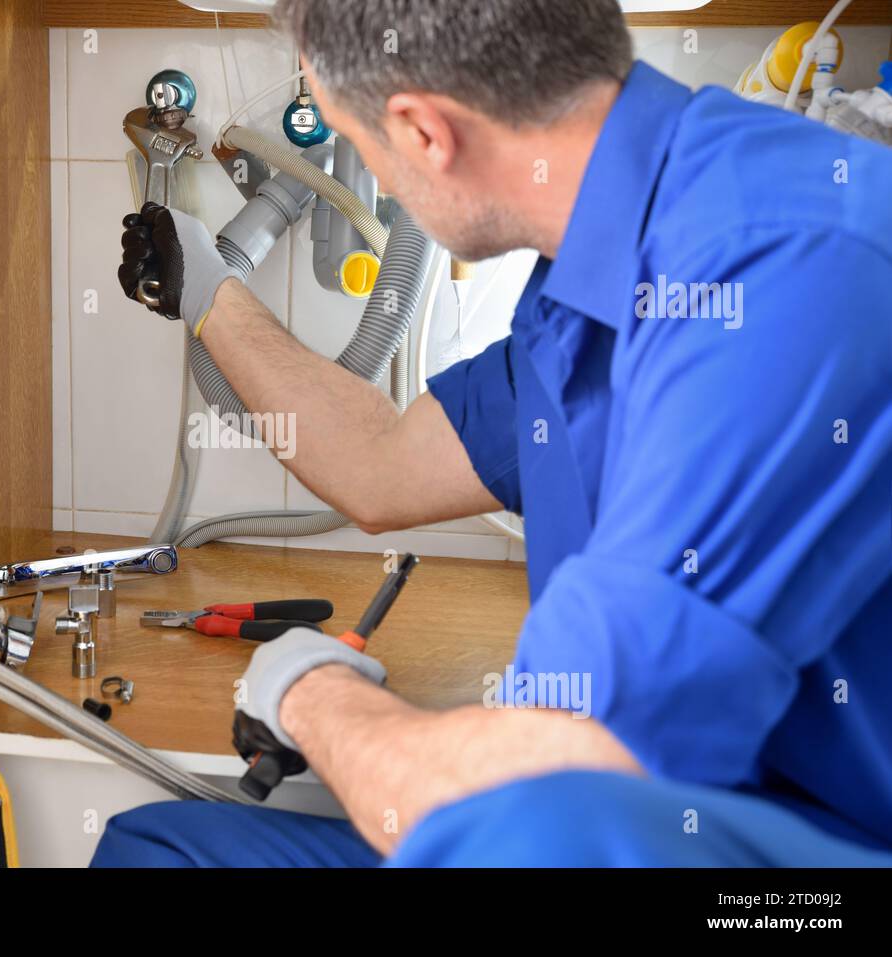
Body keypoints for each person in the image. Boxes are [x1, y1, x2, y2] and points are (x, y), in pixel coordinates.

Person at [101, 0, 892, 867]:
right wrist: (210, 293)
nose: (373, 176)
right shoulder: (592, 274)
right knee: (156, 849)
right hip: (621, 821)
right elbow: (381, 466)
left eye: (354, 139)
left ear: (424, 132)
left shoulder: (781, 270)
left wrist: (315, 697)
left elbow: (552, 799)